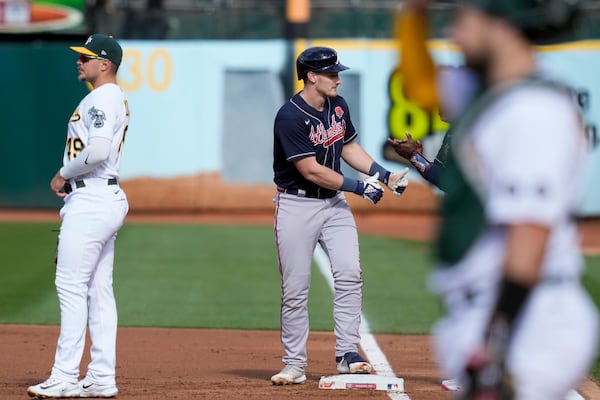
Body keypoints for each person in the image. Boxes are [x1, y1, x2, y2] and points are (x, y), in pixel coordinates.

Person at [400, 1, 599, 399]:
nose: (454, 33)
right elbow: (420, 84)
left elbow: (530, 232)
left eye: (463, 20)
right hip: (501, 316)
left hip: (527, 323)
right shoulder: (490, 91)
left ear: (503, 25)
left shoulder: (531, 111)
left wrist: (493, 346)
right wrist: (411, 16)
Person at [270, 46, 409, 385]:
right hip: (297, 206)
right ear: (311, 76)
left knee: (349, 273)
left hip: (333, 205)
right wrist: (360, 188)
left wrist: (383, 175)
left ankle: (347, 353)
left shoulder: (338, 106)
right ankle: (294, 364)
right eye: (332, 74)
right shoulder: (290, 116)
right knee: (295, 290)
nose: (338, 79)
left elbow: (347, 147)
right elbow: (311, 170)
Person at [27, 34, 130, 399]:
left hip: (92, 199)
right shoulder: (110, 96)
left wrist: (63, 173)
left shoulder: (102, 96)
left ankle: (64, 374)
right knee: (98, 291)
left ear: (104, 64)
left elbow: (98, 149)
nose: (79, 61)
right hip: (103, 196)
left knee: (70, 287)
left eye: (86, 57)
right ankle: (101, 377)